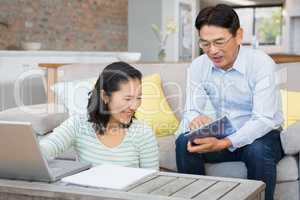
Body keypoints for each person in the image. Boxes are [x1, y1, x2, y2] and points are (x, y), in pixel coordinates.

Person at [175, 4, 283, 200]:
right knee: (185, 141)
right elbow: (191, 108)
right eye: (205, 44)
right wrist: (195, 119)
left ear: (239, 35)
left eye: (219, 42)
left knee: (256, 150)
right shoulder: (199, 65)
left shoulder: (261, 63)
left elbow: (263, 120)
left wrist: (224, 143)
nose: (212, 51)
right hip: (224, 130)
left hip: (264, 135)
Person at [40, 62, 159, 169]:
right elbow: (46, 148)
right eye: (127, 98)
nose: (134, 106)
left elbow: (153, 182)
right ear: (105, 96)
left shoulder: (143, 133)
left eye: (138, 98)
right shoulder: (78, 124)